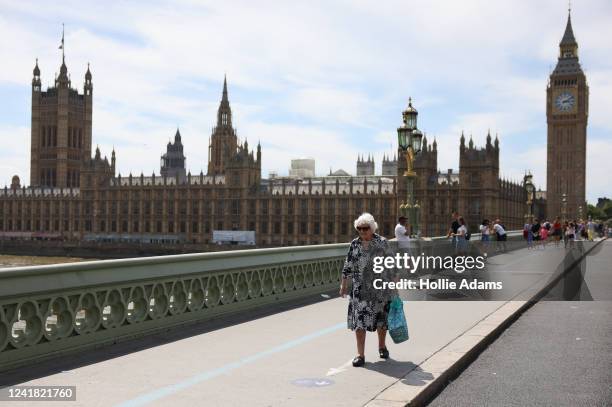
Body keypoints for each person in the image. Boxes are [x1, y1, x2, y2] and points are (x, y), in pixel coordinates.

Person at [340, 213, 398, 367]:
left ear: (372, 228)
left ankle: (381, 346)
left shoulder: (382, 242)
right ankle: (360, 354)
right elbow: (348, 264)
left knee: (381, 320)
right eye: (359, 228)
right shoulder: (355, 244)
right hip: (360, 289)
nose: (362, 231)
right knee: (359, 321)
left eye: (365, 228)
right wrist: (343, 284)